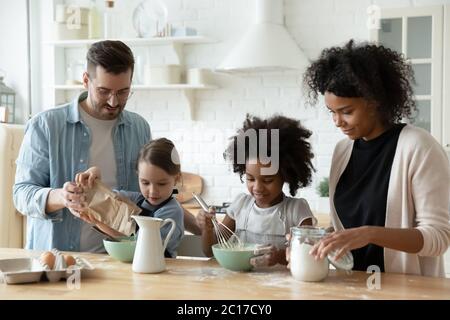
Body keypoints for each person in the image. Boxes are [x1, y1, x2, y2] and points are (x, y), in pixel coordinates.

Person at [302, 39, 450, 277]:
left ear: (375, 102)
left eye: (347, 112)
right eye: (332, 112)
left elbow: (439, 237)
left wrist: (370, 233)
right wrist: (318, 239)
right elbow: (348, 228)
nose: (338, 122)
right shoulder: (343, 152)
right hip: (350, 286)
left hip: (404, 291)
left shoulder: (418, 147)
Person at [13, 40, 151, 252]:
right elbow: (21, 195)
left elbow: (146, 199)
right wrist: (62, 197)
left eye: (123, 92)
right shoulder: (46, 126)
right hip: (60, 261)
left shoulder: (139, 128)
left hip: (122, 260)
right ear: (86, 80)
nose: (114, 102)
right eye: (104, 91)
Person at [197, 114, 317, 266]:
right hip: (243, 286)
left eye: (268, 180)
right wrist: (207, 230)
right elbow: (209, 251)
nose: (258, 188)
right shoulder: (240, 205)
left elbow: (309, 255)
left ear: (285, 176)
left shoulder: (296, 210)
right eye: (251, 179)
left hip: (282, 287)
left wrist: (279, 256)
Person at [74, 138, 184, 258]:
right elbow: (110, 197)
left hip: (161, 270)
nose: (152, 191)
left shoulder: (172, 211)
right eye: (145, 183)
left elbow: (140, 246)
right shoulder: (137, 199)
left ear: (177, 179)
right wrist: (95, 179)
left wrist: (99, 223)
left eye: (161, 184)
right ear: (138, 175)